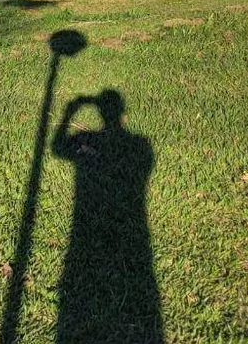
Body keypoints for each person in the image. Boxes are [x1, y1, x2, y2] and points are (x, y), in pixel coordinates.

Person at [51, 90, 164, 343]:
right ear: (123, 116)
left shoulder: (131, 144)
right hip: (133, 230)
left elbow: (58, 148)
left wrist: (69, 112)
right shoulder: (141, 145)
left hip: (89, 227)